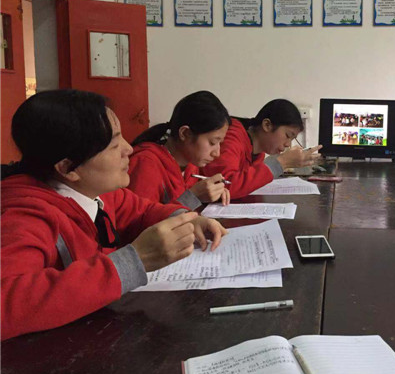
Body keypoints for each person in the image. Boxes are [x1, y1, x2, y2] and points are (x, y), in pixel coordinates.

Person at [1, 90, 227, 340]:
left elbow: (144, 210)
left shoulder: (100, 191)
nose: (129, 149)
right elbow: (6, 303)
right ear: (68, 168)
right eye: (114, 145)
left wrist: (188, 219)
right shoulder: (24, 217)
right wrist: (132, 262)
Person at [128, 91, 231, 209]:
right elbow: (140, 219)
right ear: (185, 133)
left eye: (220, 143)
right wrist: (193, 197)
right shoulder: (146, 163)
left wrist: (212, 194)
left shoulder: (191, 165)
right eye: (212, 142)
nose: (217, 153)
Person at [202, 99, 321, 199]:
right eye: (288, 136)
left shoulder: (259, 153)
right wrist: (281, 163)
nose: (288, 144)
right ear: (267, 125)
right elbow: (223, 186)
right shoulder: (232, 137)